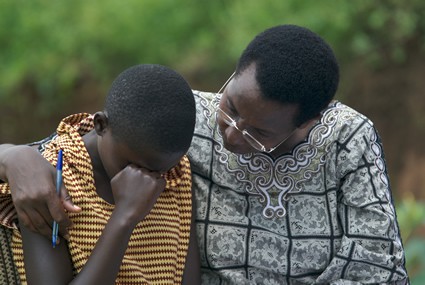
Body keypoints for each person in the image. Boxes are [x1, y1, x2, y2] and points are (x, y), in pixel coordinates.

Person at [0, 25, 408, 284]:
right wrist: (13, 157)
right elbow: (72, 148)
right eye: (231, 107)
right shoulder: (184, 120)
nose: (230, 133)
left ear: (307, 122)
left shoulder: (346, 138)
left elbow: (378, 268)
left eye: (259, 132)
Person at [0, 64, 200, 284]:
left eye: (161, 171)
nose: (150, 182)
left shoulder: (175, 174)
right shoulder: (48, 181)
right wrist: (124, 217)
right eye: (133, 166)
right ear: (101, 125)